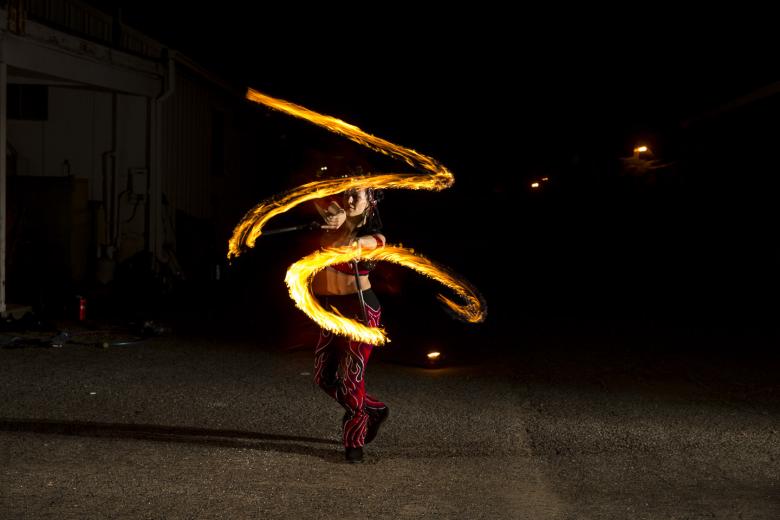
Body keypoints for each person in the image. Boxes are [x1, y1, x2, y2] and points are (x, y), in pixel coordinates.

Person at [312, 186, 389, 463]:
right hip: (331, 311)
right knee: (324, 377)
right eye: (348, 193)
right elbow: (314, 198)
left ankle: (353, 440)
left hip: (360, 311)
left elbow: (354, 245)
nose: (350, 198)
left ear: (371, 201)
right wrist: (331, 212)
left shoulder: (374, 238)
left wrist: (342, 220)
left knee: (350, 379)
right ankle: (374, 409)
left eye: (358, 194)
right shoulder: (335, 218)